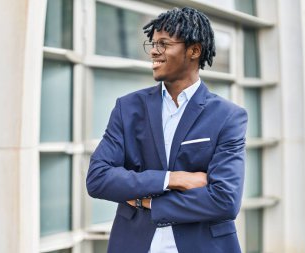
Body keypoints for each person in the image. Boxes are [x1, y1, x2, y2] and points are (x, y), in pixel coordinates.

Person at [86, 6, 247, 253]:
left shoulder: (228, 116)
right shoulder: (127, 108)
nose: (154, 51)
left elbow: (225, 200)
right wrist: (174, 179)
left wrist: (145, 201)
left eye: (164, 44)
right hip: (134, 243)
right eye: (152, 43)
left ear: (194, 50)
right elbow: (98, 179)